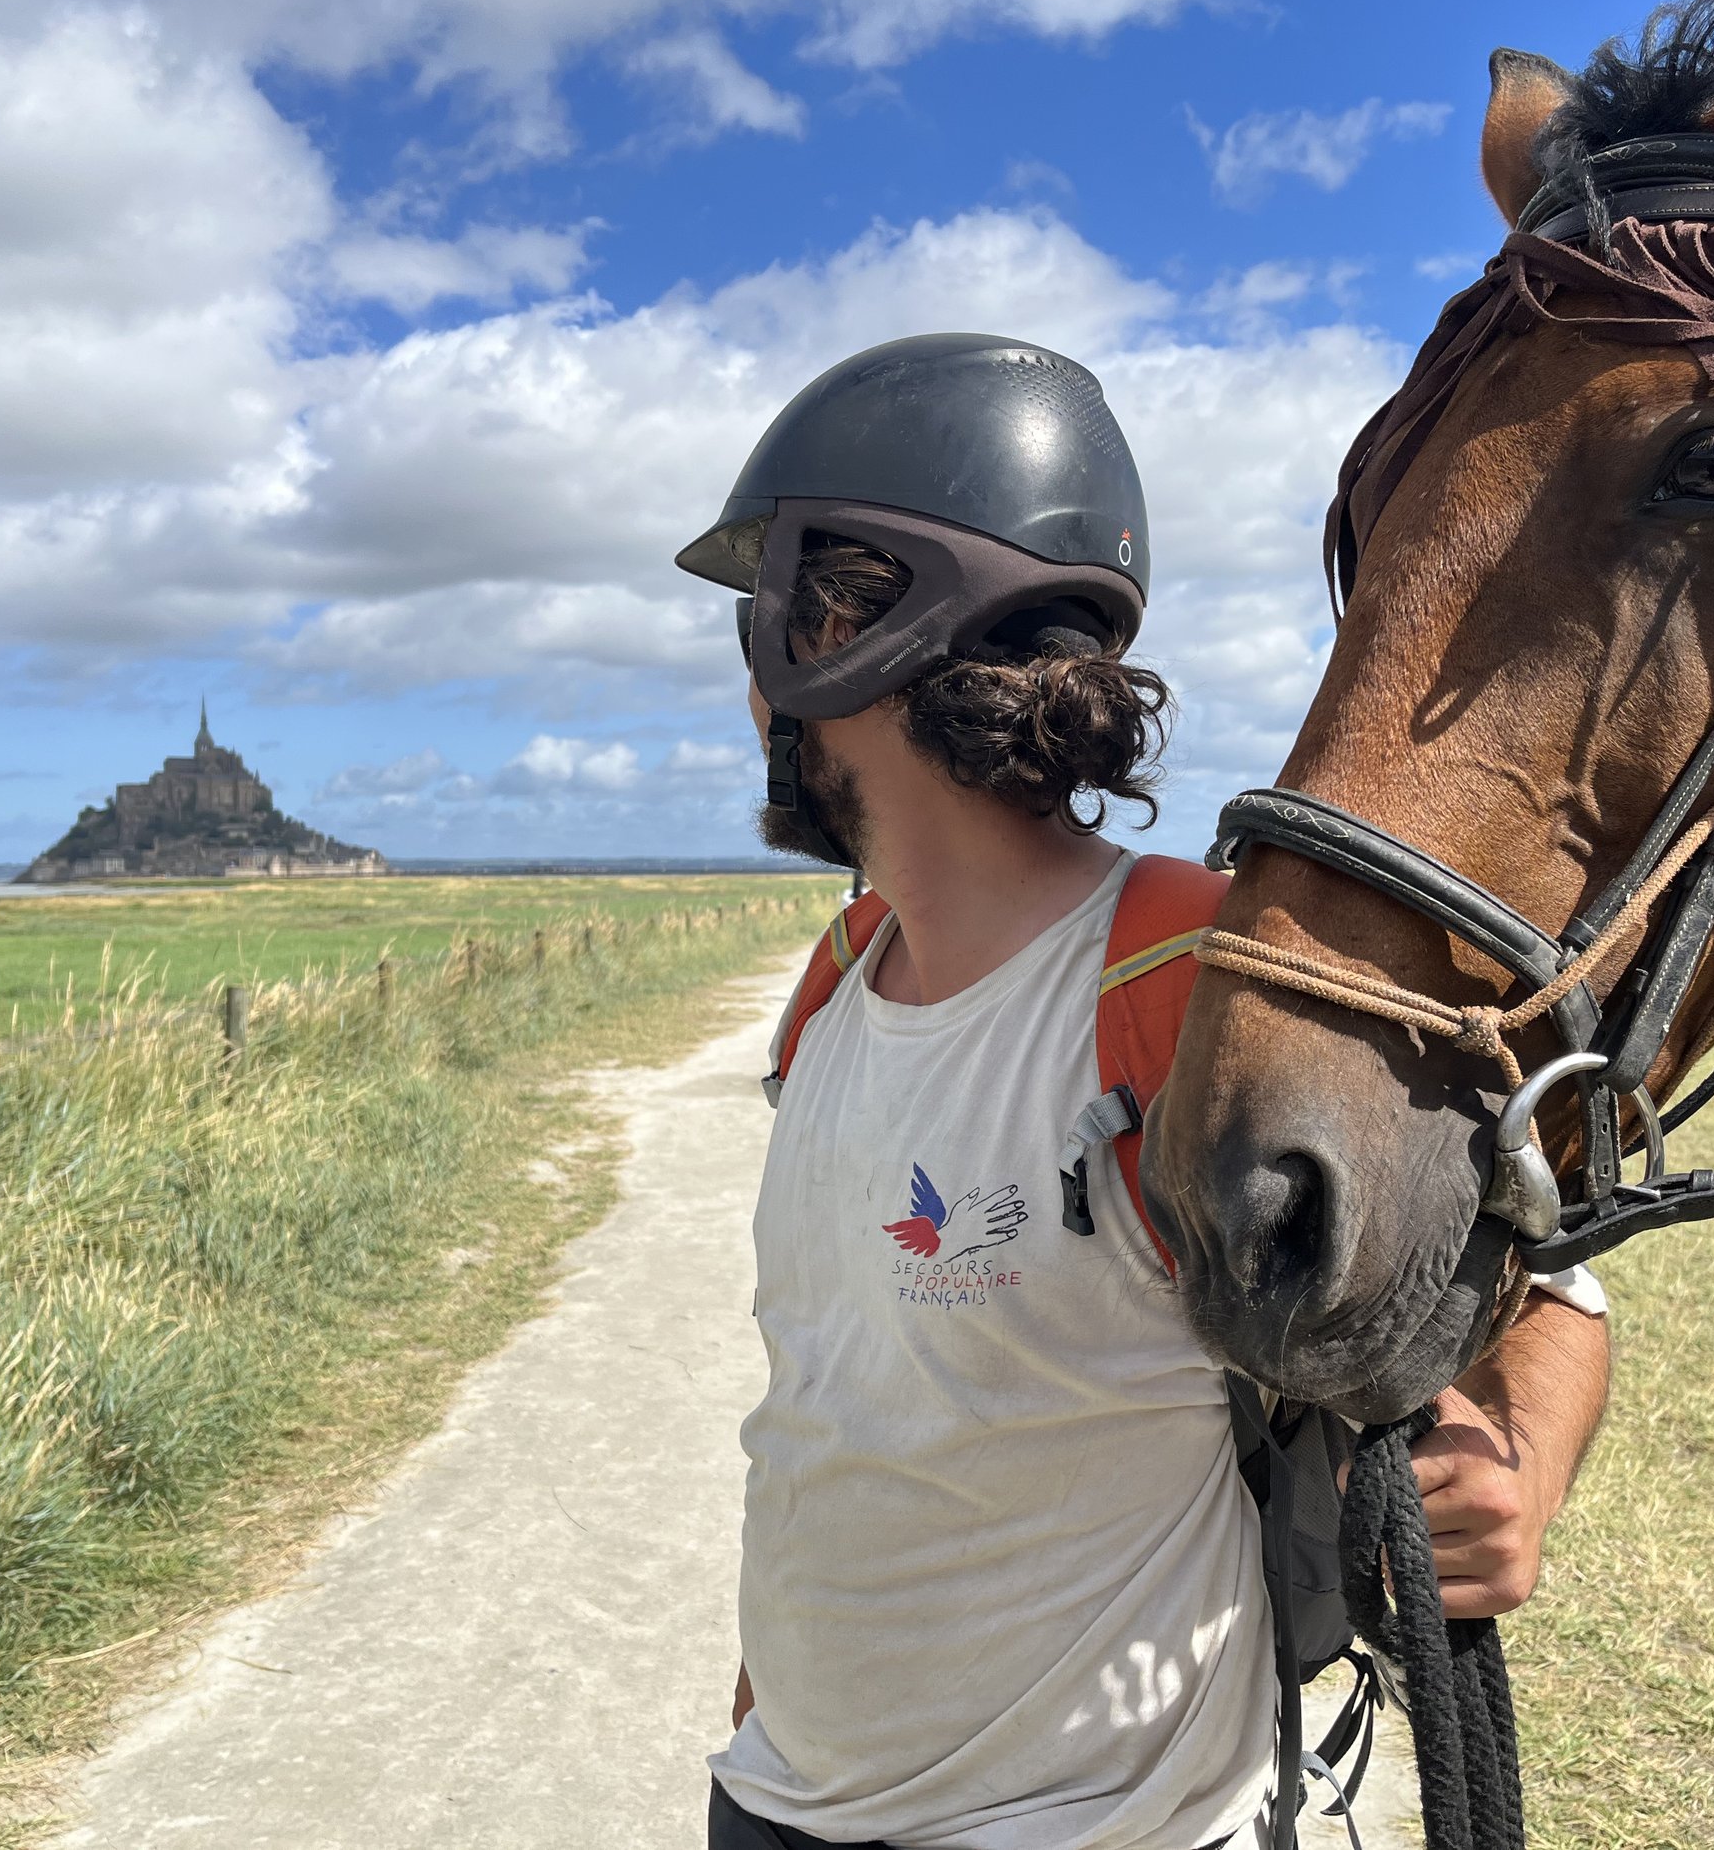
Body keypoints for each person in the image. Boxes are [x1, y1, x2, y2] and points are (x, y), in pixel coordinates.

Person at [674, 333, 1613, 1850]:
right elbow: (834, 1412)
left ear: (840, 624)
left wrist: (1528, 1456)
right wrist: (769, 1715)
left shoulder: (1193, 971)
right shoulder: (836, 983)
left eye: (765, 609)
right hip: (783, 1800)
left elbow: (1544, 1266)